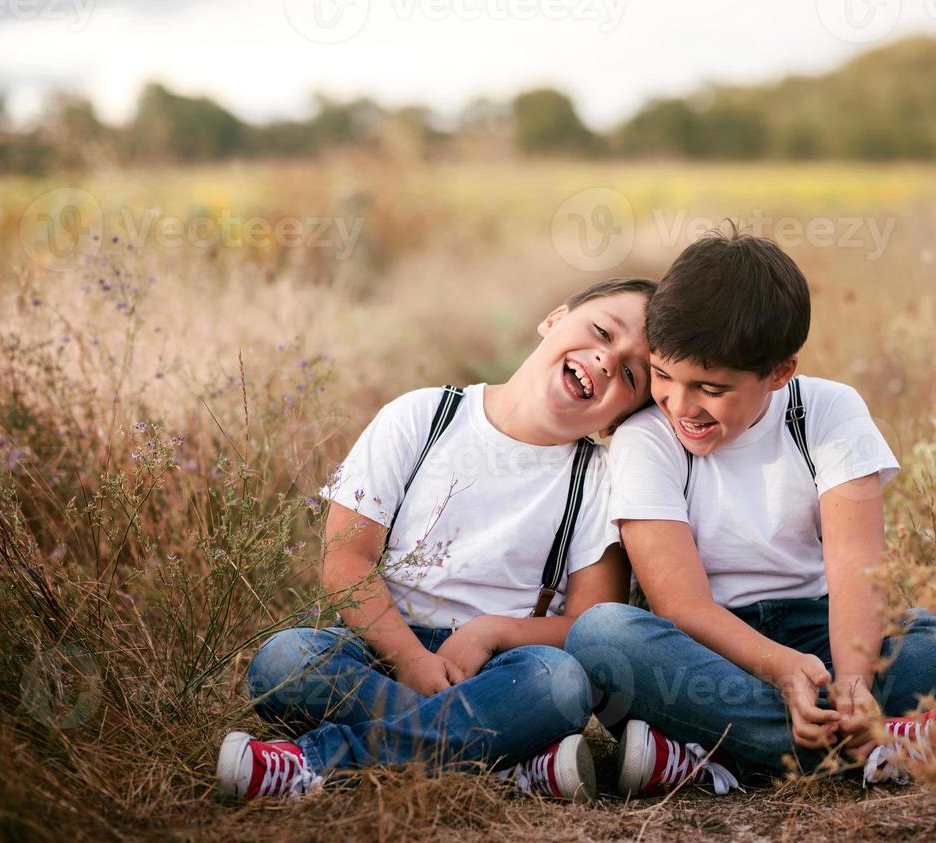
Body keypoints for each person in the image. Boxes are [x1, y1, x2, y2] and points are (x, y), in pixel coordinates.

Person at [564, 231, 936, 797]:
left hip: (822, 633)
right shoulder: (646, 438)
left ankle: (719, 753)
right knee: (601, 636)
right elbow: (680, 604)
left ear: (779, 372)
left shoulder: (827, 410)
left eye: (711, 389)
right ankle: (876, 745)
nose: (679, 404)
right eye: (664, 375)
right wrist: (778, 668)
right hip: (706, 650)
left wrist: (852, 685)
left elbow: (854, 565)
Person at [217, 277, 656, 802]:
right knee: (285, 661)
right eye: (604, 331)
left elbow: (589, 625)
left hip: (501, 671)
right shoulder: (423, 416)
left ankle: (314, 763)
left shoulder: (597, 480)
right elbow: (345, 561)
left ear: (618, 420)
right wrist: (410, 659)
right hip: (380, 649)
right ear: (555, 318)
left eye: (631, 374)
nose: (609, 360)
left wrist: (489, 632)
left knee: (560, 683)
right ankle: (500, 758)